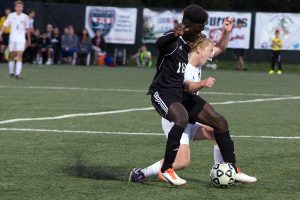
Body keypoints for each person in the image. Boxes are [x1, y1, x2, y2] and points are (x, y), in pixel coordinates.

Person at [131, 5, 256, 186]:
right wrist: (202, 83)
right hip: (169, 101)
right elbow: (186, 82)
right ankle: (153, 171)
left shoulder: (190, 46)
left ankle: (231, 169)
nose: (211, 55)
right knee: (182, 159)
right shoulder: (176, 45)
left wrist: (226, 32)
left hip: (183, 101)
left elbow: (220, 47)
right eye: (199, 29)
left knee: (219, 125)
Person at [0, 1, 30, 79]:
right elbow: (5, 25)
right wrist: (0, 33)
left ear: (22, 8)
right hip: (12, 38)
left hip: (21, 39)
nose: (19, 8)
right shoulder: (11, 15)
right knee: (12, 55)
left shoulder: (25, 17)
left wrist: (28, 39)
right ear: (15, 7)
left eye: (21, 7)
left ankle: (18, 74)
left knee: (20, 55)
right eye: (18, 7)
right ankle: (11, 73)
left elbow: (27, 29)